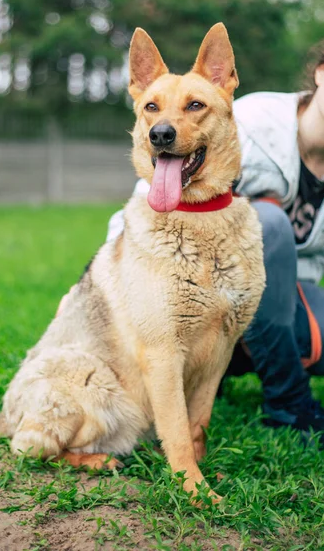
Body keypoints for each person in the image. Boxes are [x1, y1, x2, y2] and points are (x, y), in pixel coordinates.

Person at [106, 43, 324, 445]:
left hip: (269, 292)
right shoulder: (254, 124)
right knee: (269, 222)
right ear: (321, 73)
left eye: (192, 108)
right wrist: (118, 289)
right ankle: (287, 399)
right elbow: (143, 206)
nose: (165, 123)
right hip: (198, 283)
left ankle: (214, 366)